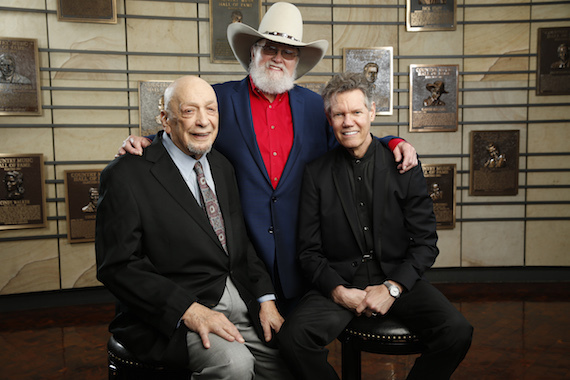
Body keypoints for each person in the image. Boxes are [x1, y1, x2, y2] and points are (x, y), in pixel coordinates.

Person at [118, 2, 418, 315]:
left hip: (303, 255)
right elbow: (183, 129)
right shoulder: (219, 99)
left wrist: (392, 141)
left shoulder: (316, 107)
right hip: (240, 257)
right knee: (250, 353)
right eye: (269, 48)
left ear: (297, 60)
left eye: (288, 52)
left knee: (298, 348)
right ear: (253, 51)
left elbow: (351, 140)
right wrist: (146, 142)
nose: (278, 58)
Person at [278, 72, 473, 380]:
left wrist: (392, 288)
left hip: (398, 277)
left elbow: (425, 243)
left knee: (457, 331)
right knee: (292, 339)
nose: (348, 121)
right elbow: (309, 252)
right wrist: (340, 293)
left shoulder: (404, 165)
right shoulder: (316, 174)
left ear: (371, 112)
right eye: (339, 114)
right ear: (329, 119)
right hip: (341, 281)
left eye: (356, 112)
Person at [96, 76, 293, 379]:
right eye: (189, 111)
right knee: (235, 365)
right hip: (173, 312)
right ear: (165, 119)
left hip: (240, 301)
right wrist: (188, 309)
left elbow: (240, 243)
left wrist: (266, 300)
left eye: (211, 110)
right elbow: (118, 266)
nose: (203, 121)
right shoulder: (126, 175)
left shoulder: (223, 166)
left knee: (293, 355)